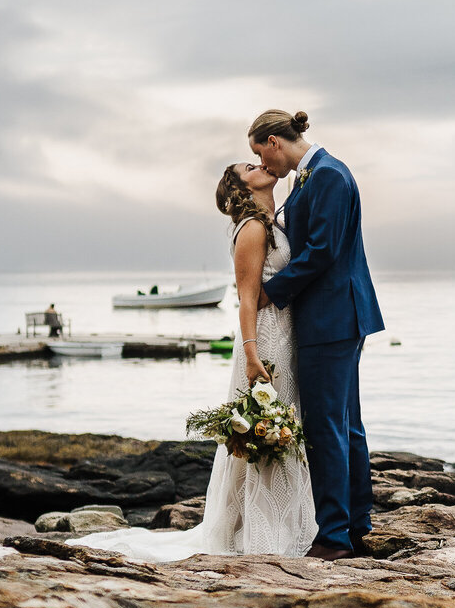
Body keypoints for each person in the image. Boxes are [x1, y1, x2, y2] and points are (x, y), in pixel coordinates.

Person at [72, 161, 317, 560]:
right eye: (250, 167)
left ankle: (278, 519)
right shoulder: (253, 229)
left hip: (285, 334)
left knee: (281, 430)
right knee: (266, 434)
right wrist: (253, 357)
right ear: (241, 186)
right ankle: (262, 532)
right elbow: (247, 299)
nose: (261, 165)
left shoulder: (276, 221)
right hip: (265, 339)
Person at [249, 109, 384, 560]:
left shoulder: (326, 176)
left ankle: (334, 537)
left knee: (326, 427)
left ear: (273, 141)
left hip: (330, 317)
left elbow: (323, 251)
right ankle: (356, 524)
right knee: (345, 424)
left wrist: (272, 290)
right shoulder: (312, 176)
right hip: (338, 316)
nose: (264, 166)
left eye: (260, 154)